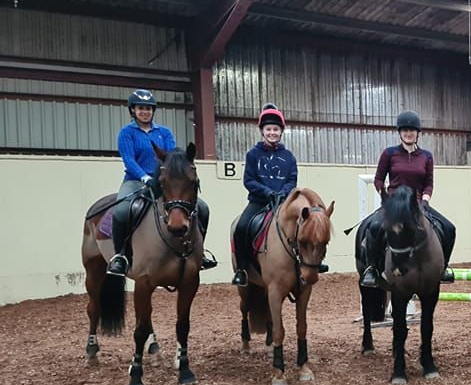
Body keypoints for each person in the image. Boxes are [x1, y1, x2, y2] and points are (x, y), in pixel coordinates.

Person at [106, 89, 216, 277]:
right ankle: (120, 256)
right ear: (133, 110)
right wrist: (144, 177)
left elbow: (173, 157)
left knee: (202, 208)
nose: (145, 112)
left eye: (148, 108)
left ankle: (199, 253)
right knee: (123, 210)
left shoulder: (164, 132)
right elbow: (129, 160)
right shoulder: (127, 133)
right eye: (140, 108)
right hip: (135, 180)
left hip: (162, 181)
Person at [231, 103, 326, 286]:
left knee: (309, 227)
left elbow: (292, 179)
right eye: (268, 129)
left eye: (275, 129)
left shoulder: (288, 156)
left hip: (284, 202)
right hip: (259, 202)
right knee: (241, 227)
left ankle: (313, 263)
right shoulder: (253, 154)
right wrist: (266, 192)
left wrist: (283, 192)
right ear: (262, 131)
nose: (272, 132)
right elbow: (249, 180)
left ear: (281, 132)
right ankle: (242, 270)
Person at [359, 110, 456, 287]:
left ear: (418, 133)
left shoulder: (426, 156)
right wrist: (386, 199)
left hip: (418, 204)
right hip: (395, 204)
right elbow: (379, 178)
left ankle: (443, 268)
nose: (408, 133)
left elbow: (429, 183)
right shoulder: (389, 153)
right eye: (404, 130)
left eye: (412, 130)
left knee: (449, 228)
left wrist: (425, 200)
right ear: (400, 132)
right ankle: (372, 269)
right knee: (373, 228)